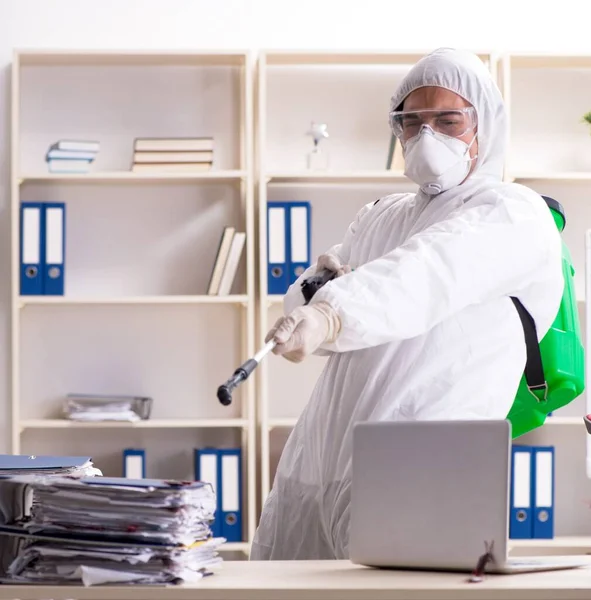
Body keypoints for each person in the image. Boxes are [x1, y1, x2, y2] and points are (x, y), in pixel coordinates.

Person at [250, 47, 564, 561]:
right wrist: (313, 298)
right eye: (412, 122)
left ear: (486, 125)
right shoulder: (380, 215)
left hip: (422, 470)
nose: (427, 136)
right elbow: (309, 306)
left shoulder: (513, 212)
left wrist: (331, 312)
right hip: (324, 463)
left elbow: (428, 271)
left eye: (447, 120)